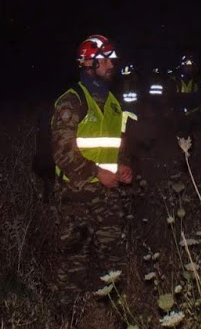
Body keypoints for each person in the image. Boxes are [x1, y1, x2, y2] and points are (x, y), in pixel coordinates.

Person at [50, 34, 135, 308]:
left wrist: (123, 167)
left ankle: (118, 315)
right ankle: (67, 316)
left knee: (114, 260)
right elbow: (63, 154)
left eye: (113, 59)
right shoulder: (71, 102)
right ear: (89, 63)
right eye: (106, 59)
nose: (112, 64)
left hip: (108, 196)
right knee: (73, 262)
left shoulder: (113, 103)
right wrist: (98, 173)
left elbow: (116, 146)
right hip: (75, 196)